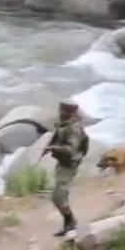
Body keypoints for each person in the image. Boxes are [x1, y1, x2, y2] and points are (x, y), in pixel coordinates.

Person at [43, 101, 89, 237]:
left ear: (69, 113)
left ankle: (71, 222)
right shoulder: (66, 124)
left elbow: (70, 149)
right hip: (63, 163)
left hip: (69, 165)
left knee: (58, 197)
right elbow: (59, 135)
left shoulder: (74, 128)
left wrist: (53, 148)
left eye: (62, 111)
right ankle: (69, 222)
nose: (59, 113)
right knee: (60, 196)